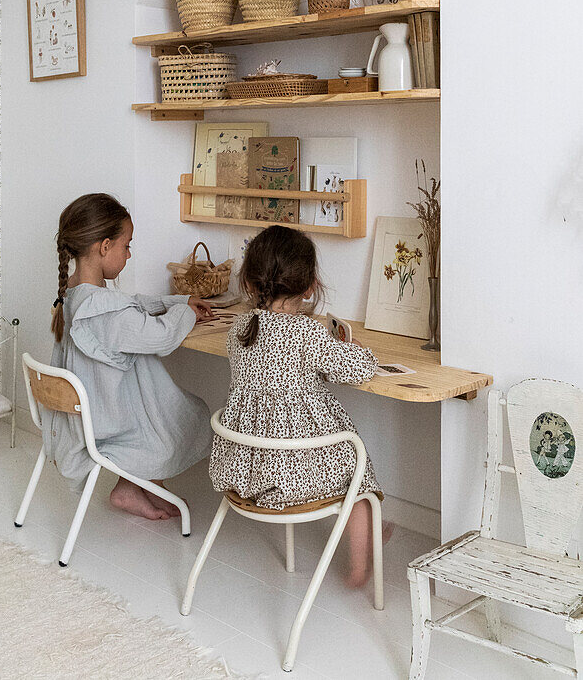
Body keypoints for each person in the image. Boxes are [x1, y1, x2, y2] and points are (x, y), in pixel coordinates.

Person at [209, 225, 387, 587]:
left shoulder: (240, 327)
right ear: (309, 287)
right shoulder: (307, 333)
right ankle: (358, 567)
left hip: (246, 469)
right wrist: (355, 348)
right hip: (293, 472)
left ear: (249, 282)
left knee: (349, 463)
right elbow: (359, 368)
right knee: (360, 479)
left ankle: (362, 543)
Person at [43, 193, 215, 521]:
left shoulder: (73, 297)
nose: (129, 254)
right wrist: (187, 315)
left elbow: (130, 303)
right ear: (104, 246)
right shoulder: (103, 312)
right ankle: (136, 487)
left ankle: (140, 487)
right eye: (127, 245)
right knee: (187, 415)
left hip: (85, 415)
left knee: (164, 409)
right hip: (106, 423)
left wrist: (177, 302)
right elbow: (162, 337)